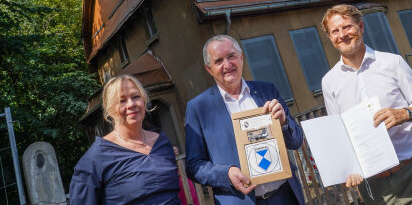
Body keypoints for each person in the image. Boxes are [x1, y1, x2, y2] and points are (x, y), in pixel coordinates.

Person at [320, 4, 412, 205]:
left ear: (361, 27)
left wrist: (406, 113)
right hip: (372, 187)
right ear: (330, 38)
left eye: (347, 27)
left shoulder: (392, 63)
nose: (342, 35)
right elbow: (338, 134)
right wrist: (349, 168)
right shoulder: (329, 82)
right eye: (335, 31)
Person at [185, 35, 305, 205]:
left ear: (241, 58)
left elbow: (296, 141)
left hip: (285, 196)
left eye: (231, 56)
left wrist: (284, 124)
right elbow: (194, 166)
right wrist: (226, 173)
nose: (227, 65)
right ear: (209, 69)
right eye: (218, 61)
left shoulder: (267, 90)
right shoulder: (198, 108)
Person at [69, 75, 180, 204]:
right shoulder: (97, 157)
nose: (131, 104)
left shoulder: (161, 141)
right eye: (122, 101)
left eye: (136, 97)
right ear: (110, 109)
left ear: (144, 100)